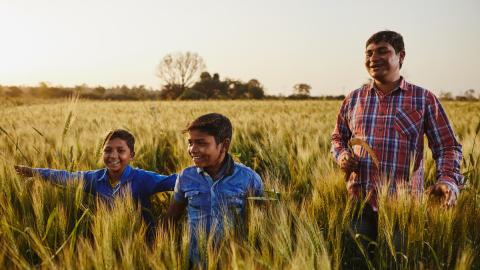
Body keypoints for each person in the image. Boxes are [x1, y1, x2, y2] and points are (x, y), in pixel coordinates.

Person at [331, 30, 464, 266]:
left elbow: (448, 147)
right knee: (353, 264)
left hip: (403, 210)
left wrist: (448, 180)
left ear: (401, 56)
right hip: (358, 206)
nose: (374, 58)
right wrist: (342, 155)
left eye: (383, 51)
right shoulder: (353, 99)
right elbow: (338, 138)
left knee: (398, 264)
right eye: (369, 53)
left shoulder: (423, 99)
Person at [14, 129, 177, 237]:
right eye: (107, 150)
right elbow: (66, 177)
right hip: (107, 241)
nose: (113, 156)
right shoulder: (94, 179)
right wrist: (33, 172)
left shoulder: (143, 178)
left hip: (143, 244)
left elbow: (172, 181)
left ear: (131, 155)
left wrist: (200, 171)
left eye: (120, 151)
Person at [163, 113, 264, 265]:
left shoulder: (249, 178)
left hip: (234, 263)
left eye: (201, 143)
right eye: (190, 143)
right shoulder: (185, 177)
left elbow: (263, 223)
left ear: (224, 144)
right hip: (195, 262)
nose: (193, 149)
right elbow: (170, 219)